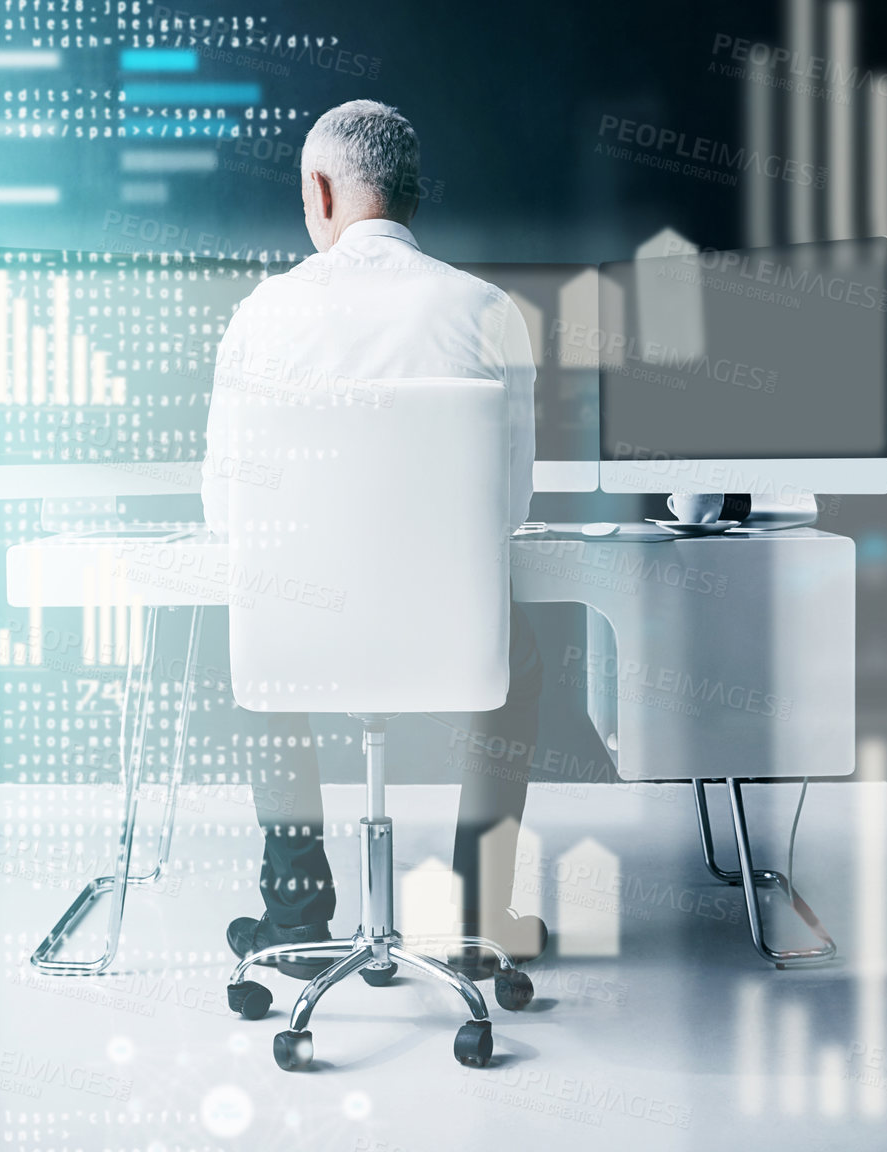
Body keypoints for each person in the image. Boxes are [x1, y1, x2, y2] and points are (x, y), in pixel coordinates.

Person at [201, 99, 545, 978]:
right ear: (412, 194)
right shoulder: (487, 313)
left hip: (299, 641)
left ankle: (293, 914)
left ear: (320, 190)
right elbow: (507, 512)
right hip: (452, 642)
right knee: (525, 644)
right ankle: (477, 914)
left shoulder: (263, 316)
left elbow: (226, 516)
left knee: (258, 622)